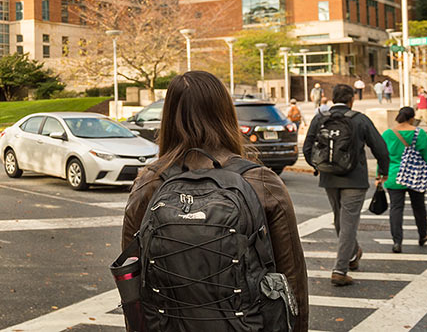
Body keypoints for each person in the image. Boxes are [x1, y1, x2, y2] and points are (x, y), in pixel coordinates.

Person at [123, 71, 308, 331]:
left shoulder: (149, 183)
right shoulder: (262, 183)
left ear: (168, 118)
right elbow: (292, 284)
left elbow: (131, 285)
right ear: (225, 114)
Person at [303, 84, 390, 286]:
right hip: (355, 179)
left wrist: (318, 167)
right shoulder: (360, 119)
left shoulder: (320, 118)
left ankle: (352, 254)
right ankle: (340, 270)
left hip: (329, 178)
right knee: (348, 222)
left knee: (340, 220)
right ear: (352, 99)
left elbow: (307, 147)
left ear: (332, 98)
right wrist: (383, 171)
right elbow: (380, 148)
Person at [382, 106, 427, 252]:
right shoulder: (419, 133)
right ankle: (423, 234)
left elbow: (382, 156)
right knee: (419, 207)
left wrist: (379, 175)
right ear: (412, 118)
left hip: (394, 176)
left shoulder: (388, 134)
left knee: (396, 209)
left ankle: (397, 242)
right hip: (415, 175)